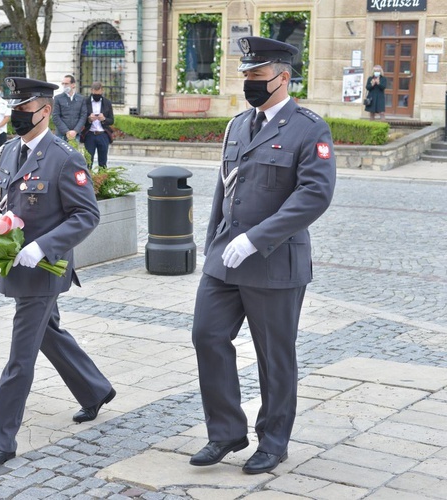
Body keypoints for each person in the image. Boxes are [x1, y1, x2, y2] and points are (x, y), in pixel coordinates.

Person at [189, 37, 336, 475]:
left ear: (283, 77)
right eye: (247, 75)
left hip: (273, 261)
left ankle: (273, 441)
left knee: (274, 356)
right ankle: (226, 431)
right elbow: (224, 187)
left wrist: (256, 238)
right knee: (206, 336)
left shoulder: (309, 128)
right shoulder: (237, 125)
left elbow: (315, 194)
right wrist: (214, 238)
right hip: (226, 259)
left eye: (258, 75)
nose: (250, 82)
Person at [0, 76, 116, 467]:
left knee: (20, 356)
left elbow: (87, 214)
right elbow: (1, 200)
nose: (16, 115)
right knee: (47, 333)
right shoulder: (11, 149)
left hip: (43, 269)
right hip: (16, 263)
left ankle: (0, 440)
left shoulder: (64, 156)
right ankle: (94, 389)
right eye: (14, 110)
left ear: (45, 111)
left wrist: (43, 245)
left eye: (22, 109)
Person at [81, 81, 115, 168]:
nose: (96, 96)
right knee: (88, 161)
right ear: (91, 91)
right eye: (94, 94)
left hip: (103, 134)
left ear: (102, 91)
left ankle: (102, 180)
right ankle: (88, 179)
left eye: (98, 93)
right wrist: (89, 119)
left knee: (103, 162)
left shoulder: (107, 103)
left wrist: (103, 119)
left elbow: (111, 120)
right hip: (90, 135)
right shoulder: (85, 102)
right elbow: (80, 118)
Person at [51, 74, 87, 142]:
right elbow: (55, 117)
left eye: (66, 83)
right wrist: (67, 132)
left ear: (73, 85)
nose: (64, 86)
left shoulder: (81, 99)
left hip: (75, 135)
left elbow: (83, 116)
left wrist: (75, 131)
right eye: (63, 83)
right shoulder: (58, 98)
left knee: (74, 152)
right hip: (61, 135)